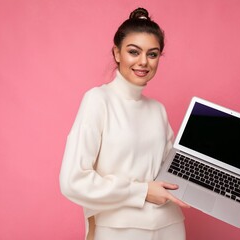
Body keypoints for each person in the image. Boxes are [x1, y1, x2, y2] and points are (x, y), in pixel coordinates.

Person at [59, 7, 190, 240]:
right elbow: (73, 181)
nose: (143, 62)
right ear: (117, 53)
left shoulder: (157, 110)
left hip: (170, 227)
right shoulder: (98, 100)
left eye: (152, 54)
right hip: (120, 231)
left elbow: (174, 172)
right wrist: (142, 191)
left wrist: (234, 164)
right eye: (133, 52)